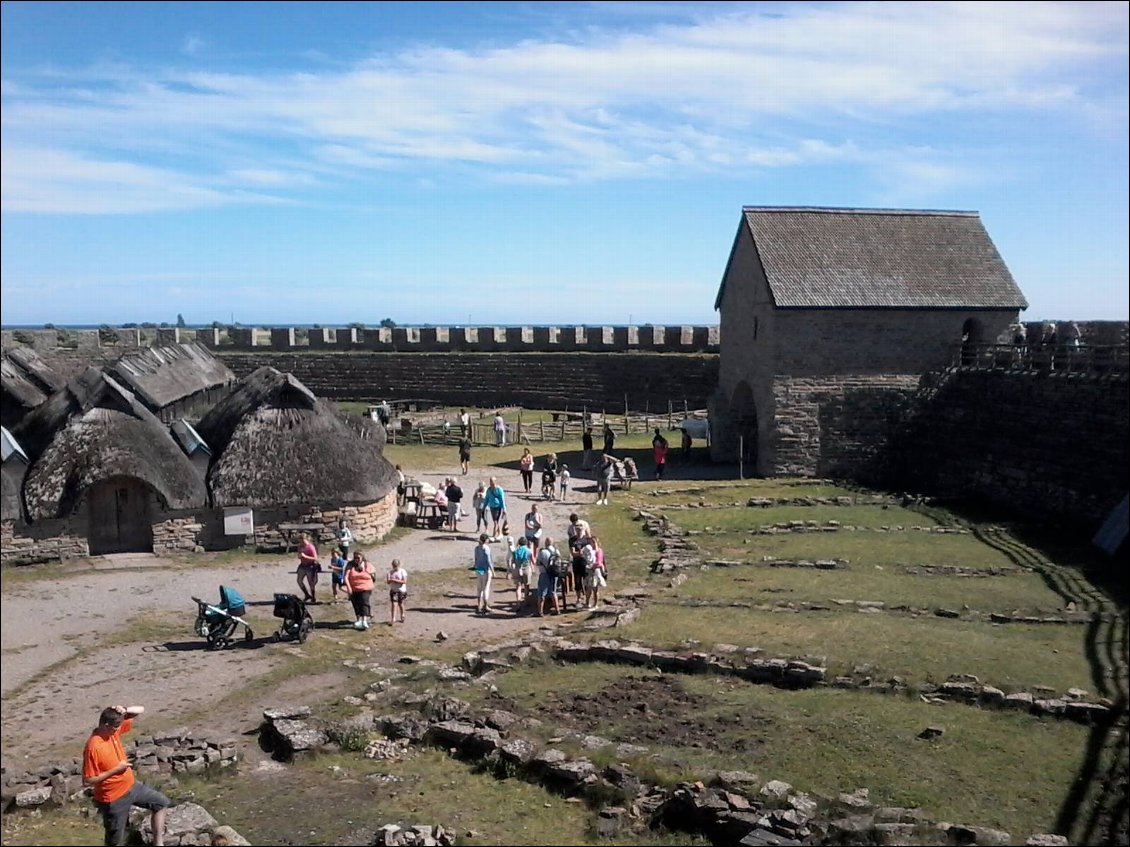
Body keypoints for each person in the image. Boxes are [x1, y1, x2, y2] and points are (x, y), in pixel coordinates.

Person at [83, 704, 170, 847]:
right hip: (113, 798)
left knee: (161, 803)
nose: (119, 729)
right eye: (116, 727)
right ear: (105, 725)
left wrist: (124, 709)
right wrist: (115, 770)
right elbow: (88, 780)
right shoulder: (93, 747)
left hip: (132, 786)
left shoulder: (112, 733)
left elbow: (140, 709)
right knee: (115, 840)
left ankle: (158, 843)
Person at [344, 552, 376, 630]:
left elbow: (373, 573)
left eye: (358, 557)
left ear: (362, 557)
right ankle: (358, 619)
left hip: (365, 587)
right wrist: (348, 588)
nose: (356, 559)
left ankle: (364, 619)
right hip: (354, 588)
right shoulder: (350, 565)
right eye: (355, 557)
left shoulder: (367, 564)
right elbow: (346, 577)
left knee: (364, 602)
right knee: (356, 603)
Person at [535, 536, 562, 617]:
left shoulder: (542, 552)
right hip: (554, 573)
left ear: (546, 542)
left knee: (541, 593)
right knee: (553, 592)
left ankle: (540, 611)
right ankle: (557, 609)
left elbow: (538, 563)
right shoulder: (556, 551)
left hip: (544, 574)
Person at [473, 533, 495, 616]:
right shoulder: (486, 549)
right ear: (485, 540)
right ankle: (485, 605)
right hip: (485, 570)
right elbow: (489, 561)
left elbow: (475, 559)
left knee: (479, 587)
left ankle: (479, 605)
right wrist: (493, 571)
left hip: (478, 569)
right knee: (486, 588)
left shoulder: (477, 548)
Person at [296, 532, 320, 604]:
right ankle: (306, 594)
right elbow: (299, 554)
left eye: (301, 540)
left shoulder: (310, 547)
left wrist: (306, 557)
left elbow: (315, 558)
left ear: (305, 539)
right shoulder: (300, 547)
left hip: (310, 566)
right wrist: (300, 556)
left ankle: (313, 597)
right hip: (302, 565)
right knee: (299, 580)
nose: (300, 542)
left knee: (311, 583)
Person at [584, 535, 607, 609]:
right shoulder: (589, 551)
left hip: (595, 571)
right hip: (589, 571)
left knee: (595, 588)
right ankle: (587, 603)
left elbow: (599, 562)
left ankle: (595, 604)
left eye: (593, 542)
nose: (592, 544)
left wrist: (592, 566)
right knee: (588, 588)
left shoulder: (599, 551)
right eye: (591, 542)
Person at [510, 536, 533, 605]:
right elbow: (532, 560)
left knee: (518, 587)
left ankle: (518, 602)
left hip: (517, 569)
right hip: (526, 569)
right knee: (526, 586)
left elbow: (512, 562)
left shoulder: (515, 551)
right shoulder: (528, 550)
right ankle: (526, 601)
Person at [386, 558, 408, 624]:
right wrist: (391, 580)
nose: (395, 567)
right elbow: (388, 581)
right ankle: (393, 618)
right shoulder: (390, 572)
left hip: (401, 590)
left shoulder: (402, 571)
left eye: (396, 565)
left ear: (399, 565)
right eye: (394, 566)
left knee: (400, 603)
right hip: (394, 590)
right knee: (394, 603)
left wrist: (395, 580)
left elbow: (404, 581)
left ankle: (402, 615)